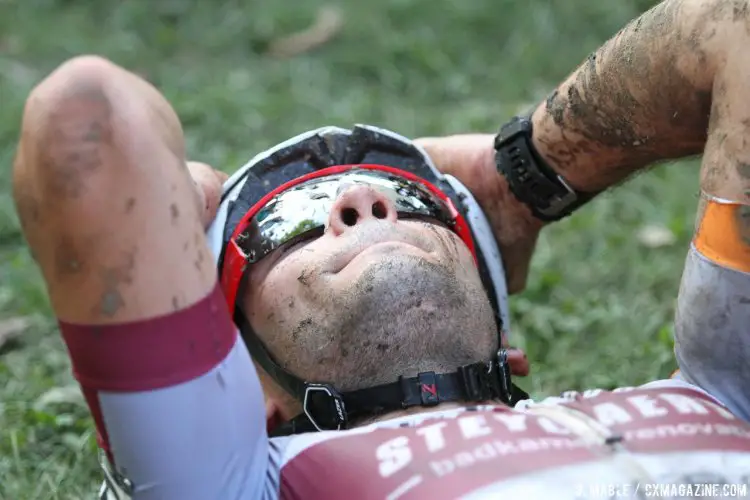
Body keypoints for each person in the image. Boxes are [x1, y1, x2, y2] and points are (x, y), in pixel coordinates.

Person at [10, 0, 750, 498]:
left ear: (507, 343)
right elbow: (88, 124)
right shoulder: (223, 476)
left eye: (421, 204)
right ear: (243, 391)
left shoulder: (726, 388)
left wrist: (519, 177)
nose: (368, 202)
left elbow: (731, 29)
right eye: (289, 219)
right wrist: (198, 198)